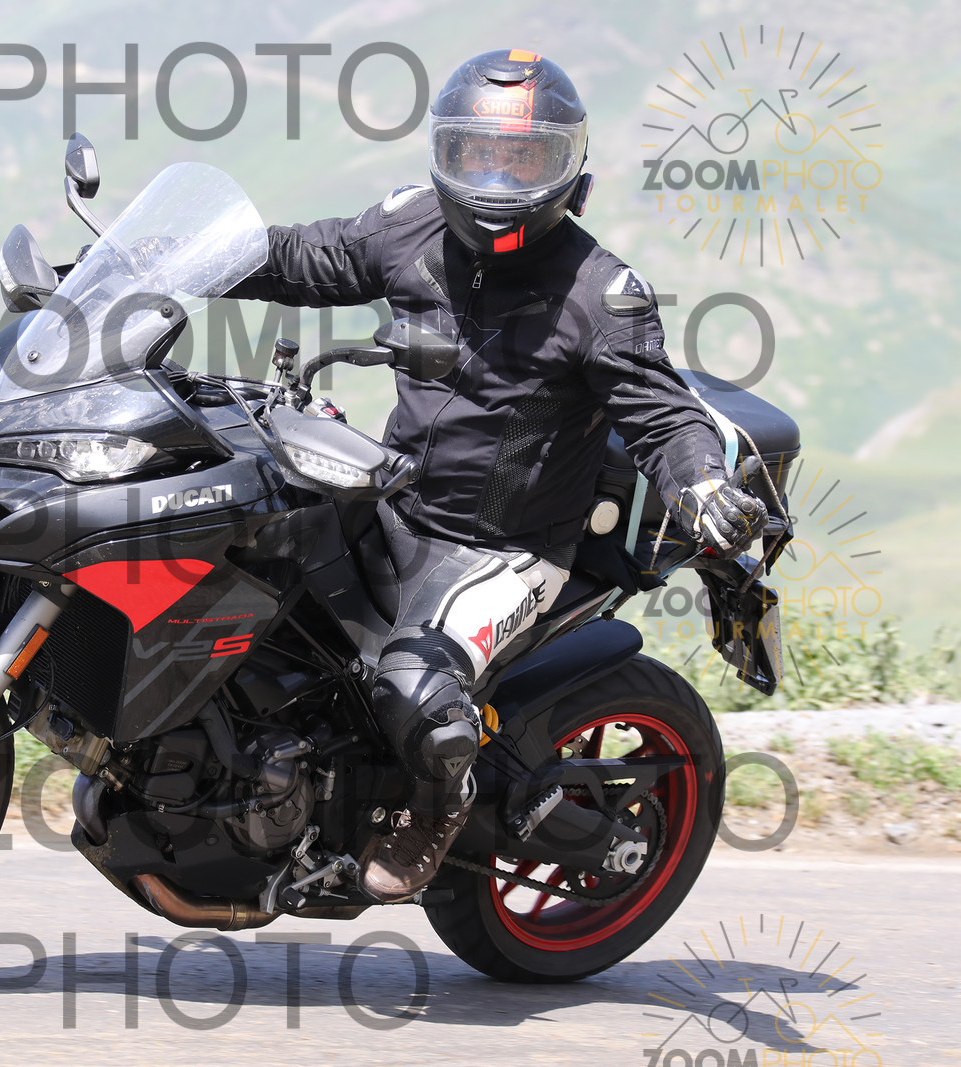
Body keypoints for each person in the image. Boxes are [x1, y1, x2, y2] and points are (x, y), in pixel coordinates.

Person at [227, 49, 765, 902]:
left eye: (522, 159)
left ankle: (436, 807)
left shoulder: (600, 294)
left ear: (566, 168)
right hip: (397, 500)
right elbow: (302, 257)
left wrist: (701, 481)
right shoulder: (410, 227)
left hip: (506, 550)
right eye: (477, 153)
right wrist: (165, 261)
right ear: (446, 151)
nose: (496, 178)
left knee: (415, 686)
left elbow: (665, 414)